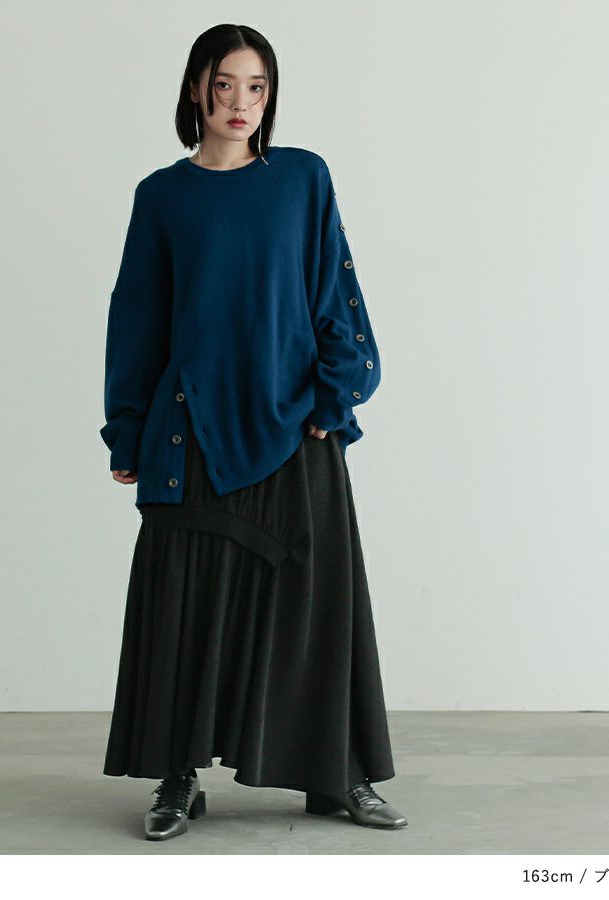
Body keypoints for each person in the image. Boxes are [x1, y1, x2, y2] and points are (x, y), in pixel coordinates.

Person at [99, 23, 406, 841]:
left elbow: (334, 291)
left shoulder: (302, 178)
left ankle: (335, 776)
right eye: (226, 83)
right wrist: (127, 429)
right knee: (182, 602)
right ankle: (176, 777)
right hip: (191, 426)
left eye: (257, 86)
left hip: (297, 423)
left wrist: (334, 396)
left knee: (313, 605)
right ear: (196, 88)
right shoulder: (163, 195)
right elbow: (138, 317)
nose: (241, 102)